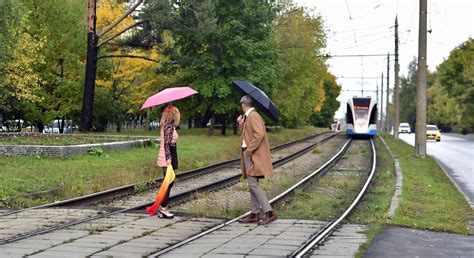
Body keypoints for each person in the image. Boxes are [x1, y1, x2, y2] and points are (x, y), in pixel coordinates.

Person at [237, 95, 277, 225]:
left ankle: (269, 213)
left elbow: (259, 134)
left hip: (252, 155)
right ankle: (254, 214)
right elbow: (247, 135)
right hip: (249, 154)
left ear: (244, 104)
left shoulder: (253, 116)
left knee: (253, 184)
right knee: (252, 184)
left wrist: (249, 150)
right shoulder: (248, 117)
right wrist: (241, 124)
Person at [156, 106, 180, 218]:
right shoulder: (169, 127)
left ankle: (162, 209)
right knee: (168, 183)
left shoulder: (168, 126)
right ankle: (163, 208)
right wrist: (169, 159)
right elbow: (166, 144)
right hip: (168, 157)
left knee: (168, 183)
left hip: (167, 155)